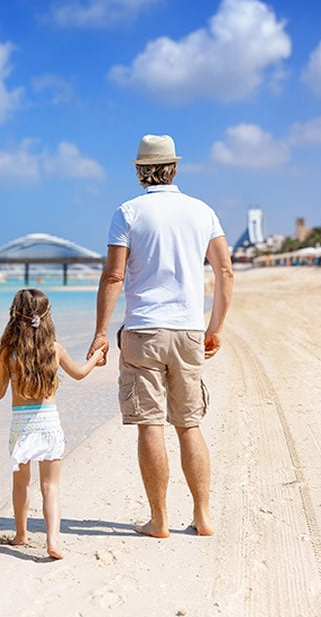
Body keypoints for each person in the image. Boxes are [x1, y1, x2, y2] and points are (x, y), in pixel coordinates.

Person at [88, 134, 234, 538]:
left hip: (143, 331)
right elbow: (225, 272)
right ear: (175, 167)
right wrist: (214, 328)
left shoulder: (128, 212)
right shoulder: (202, 211)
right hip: (188, 331)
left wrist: (101, 332)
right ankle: (203, 516)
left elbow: (115, 275)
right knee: (189, 424)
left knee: (150, 424)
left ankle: (160, 520)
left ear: (139, 171)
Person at [0, 288, 104, 560]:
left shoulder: (10, 352)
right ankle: (53, 541)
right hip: (49, 423)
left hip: (21, 425)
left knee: (20, 484)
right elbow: (78, 374)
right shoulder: (55, 349)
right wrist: (96, 358)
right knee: (50, 487)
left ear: (14, 317)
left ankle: (21, 534)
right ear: (47, 317)